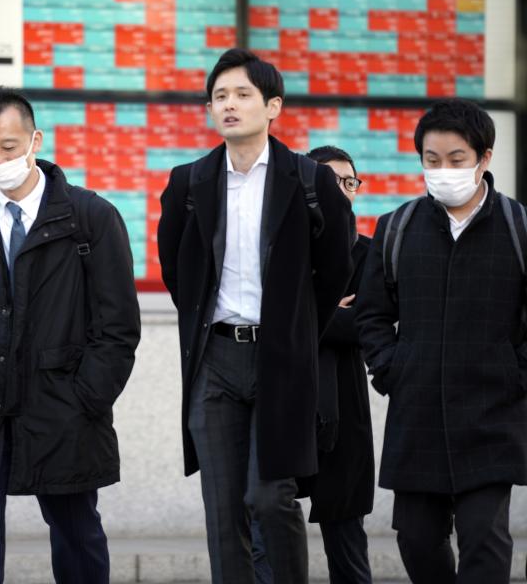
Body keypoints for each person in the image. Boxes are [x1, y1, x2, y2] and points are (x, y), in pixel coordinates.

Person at [0, 87, 141, 584]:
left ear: (35, 140)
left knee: (74, 529)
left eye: (8, 147)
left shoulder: (90, 217)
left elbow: (118, 326)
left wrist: (87, 395)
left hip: (62, 401)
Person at [157, 48, 353, 582]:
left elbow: (336, 269)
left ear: (273, 107)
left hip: (282, 359)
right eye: (219, 96)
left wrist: (295, 324)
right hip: (214, 359)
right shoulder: (188, 184)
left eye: (242, 94)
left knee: (270, 498)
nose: (229, 105)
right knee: (223, 512)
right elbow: (177, 270)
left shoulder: (311, 182)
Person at [356, 98, 527, 583]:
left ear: (484, 158)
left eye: (456, 160)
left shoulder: (519, 229)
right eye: (432, 160)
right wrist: (393, 368)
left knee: (484, 541)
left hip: (492, 413)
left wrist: (515, 374)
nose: (443, 170)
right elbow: (371, 313)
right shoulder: (398, 228)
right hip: (418, 411)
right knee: (416, 537)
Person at [253, 146, 375, 584]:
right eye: (329, 182)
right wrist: (328, 312)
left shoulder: (369, 255)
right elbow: (259, 317)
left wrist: (300, 310)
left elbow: (368, 325)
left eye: (349, 182)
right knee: (265, 524)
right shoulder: (275, 250)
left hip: (342, 407)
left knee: (346, 539)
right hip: (280, 401)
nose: (341, 191)